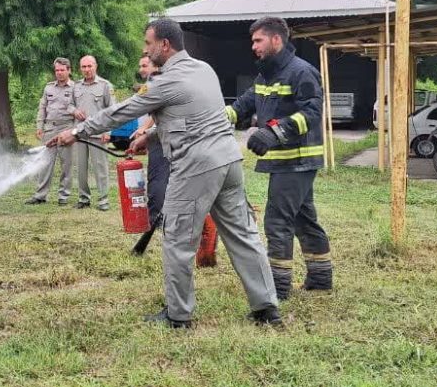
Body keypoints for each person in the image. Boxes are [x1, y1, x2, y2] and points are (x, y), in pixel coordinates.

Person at [50, 20, 281, 328]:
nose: (146, 49)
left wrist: (77, 131)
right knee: (243, 235)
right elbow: (189, 114)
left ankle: (178, 315)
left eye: (149, 44)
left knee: (177, 238)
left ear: (165, 45)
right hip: (228, 161)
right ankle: (267, 308)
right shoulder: (203, 69)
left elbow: (120, 113)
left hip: (197, 166)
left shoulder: (165, 81)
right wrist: (153, 135)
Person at [227, 16, 332, 300]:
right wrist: (218, 117)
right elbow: (246, 103)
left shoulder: (301, 72)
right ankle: (321, 277)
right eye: (253, 41)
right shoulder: (267, 76)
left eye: (258, 40)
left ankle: (277, 287)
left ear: (276, 40)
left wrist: (275, 133)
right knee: (303, 218)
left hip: (297, 160)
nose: (254, 47)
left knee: (277, 220)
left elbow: (312, 112)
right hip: (287, 162)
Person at [27, 58, 77, 205]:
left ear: (69, 70)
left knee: (66, 165)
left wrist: (74, 131)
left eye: (62, 70)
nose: (59, 73)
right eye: (57, 70)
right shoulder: (48, 88)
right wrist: (39, 127)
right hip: (50, 129)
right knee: (45, 163)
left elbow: (79, 110)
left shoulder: (75, 88)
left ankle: (64, 196)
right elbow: (42, 108)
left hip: (67, 129)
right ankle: (40, 196)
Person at [72, 55, 115, 210]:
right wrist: (75, 111)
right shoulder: (76, 86)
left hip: (99, 133)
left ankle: (103, 200)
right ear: (80, 68)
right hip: (80, 133)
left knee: (100, 167)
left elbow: (112, 110)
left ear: (95, 66)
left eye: (89, 66)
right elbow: (69, 105)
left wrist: (108, 131)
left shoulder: (105, 85)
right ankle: (83, 198)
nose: (87, 70)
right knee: (81, 167)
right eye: (83, 67)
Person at [133, 56, 168, 228]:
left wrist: (144, 132)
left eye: (145, 66)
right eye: (140, 66)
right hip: (160, 137)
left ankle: (156, 218)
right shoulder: (150, 85)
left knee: (158, 179)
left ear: (156, 67)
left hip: (162, 140)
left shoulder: (156, 85)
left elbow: (156, 115)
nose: (141, 69)